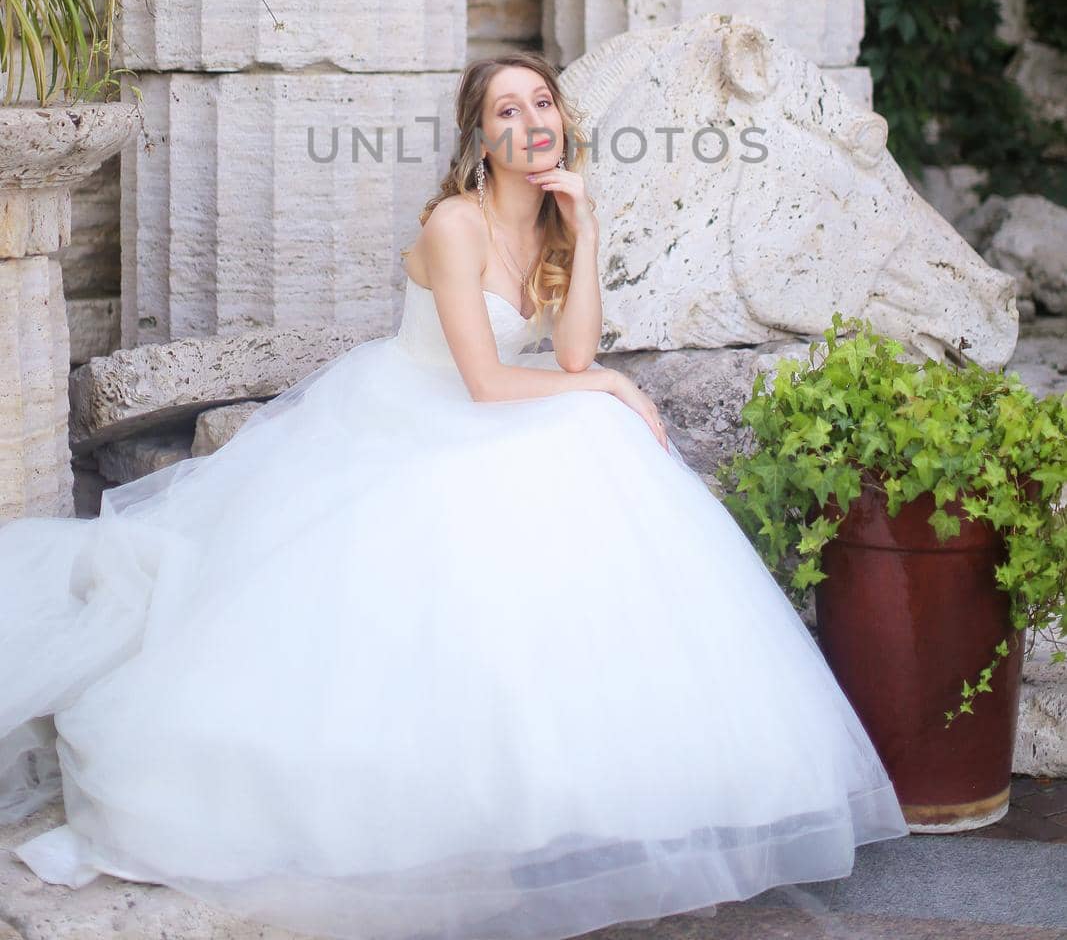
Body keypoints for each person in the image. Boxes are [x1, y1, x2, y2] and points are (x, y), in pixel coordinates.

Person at [0, 53, 909, 940]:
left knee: (594, 429)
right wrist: (615, 391)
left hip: (500, 410)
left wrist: (586, 232)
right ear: (479, 139)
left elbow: (575, 356)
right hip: (417, 413)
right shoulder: (455, 226)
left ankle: (600, 774)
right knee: (590, 424)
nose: (529, 122)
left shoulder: (552, 224)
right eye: (506, 111)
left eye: (541, 103)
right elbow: (485, 381)